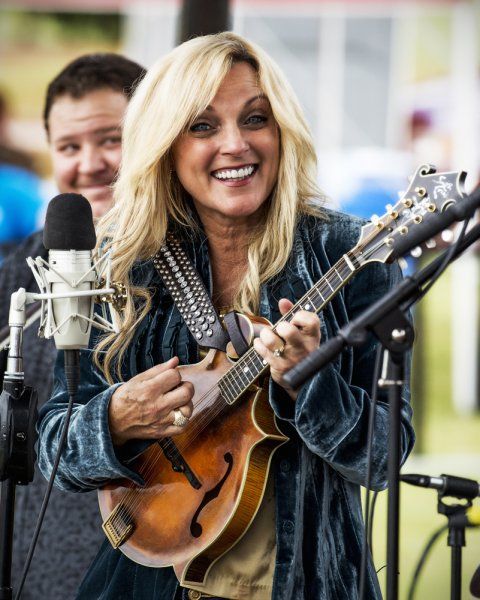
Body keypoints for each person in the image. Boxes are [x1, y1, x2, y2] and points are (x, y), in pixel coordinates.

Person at [38, 33, 415, 600]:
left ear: (282, 131)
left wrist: (312, 382)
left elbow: (387, 456)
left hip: (302, 582)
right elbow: (50, 444)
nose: (235, 144)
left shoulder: (346, 253)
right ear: (165, 144)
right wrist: (113, 417)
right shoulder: (125, 266)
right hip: (143, 581)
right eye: (203, 126)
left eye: (255, 118)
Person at [0, 53, 145, 599]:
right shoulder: (15, 277)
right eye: (69, 147)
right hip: (33, 569)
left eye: (112, 139)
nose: (91, 163)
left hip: (152, 558)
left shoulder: (195, 271)